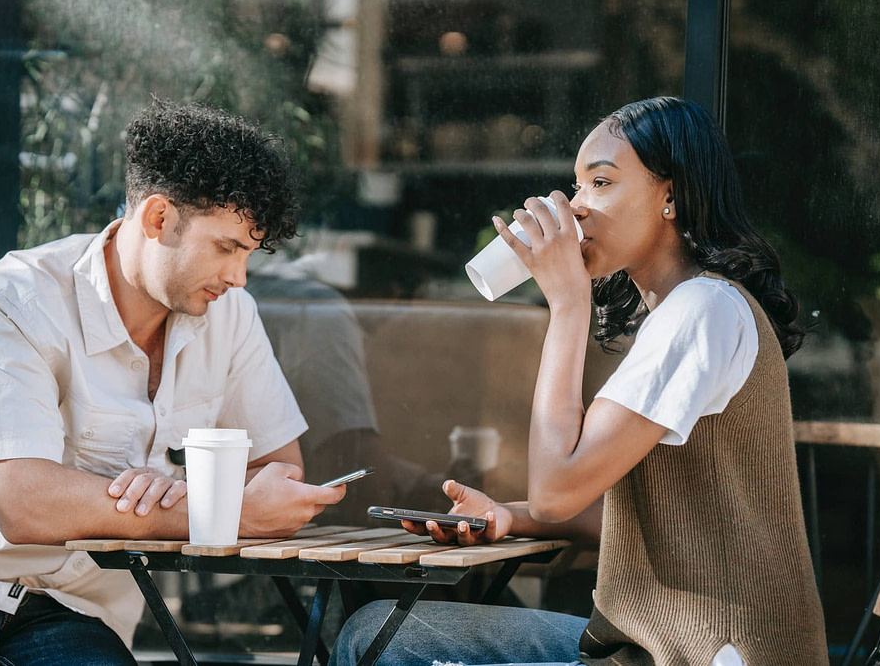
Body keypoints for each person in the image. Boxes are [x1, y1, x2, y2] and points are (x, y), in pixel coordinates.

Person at [329, 96, 829, 666]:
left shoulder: (703, 309)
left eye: (602, 182)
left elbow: (557, 487)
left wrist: (568, 304)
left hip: (708, 652)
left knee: (379, 641)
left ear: (671, 195)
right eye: (578, 185)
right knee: (383, 632)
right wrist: (509, 517)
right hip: (659, 644)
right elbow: (642, 511)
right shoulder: (689, 309)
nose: (578, 208)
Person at [0, 98, 347, 665]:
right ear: (158, 217)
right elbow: (22, 504)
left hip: (75, 607)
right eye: (227, 248)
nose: (238, 277)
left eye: (249, 255)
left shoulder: (231, 316)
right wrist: (211, 511)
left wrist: (200, 498)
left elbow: (278, 473)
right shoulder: (18, 296)